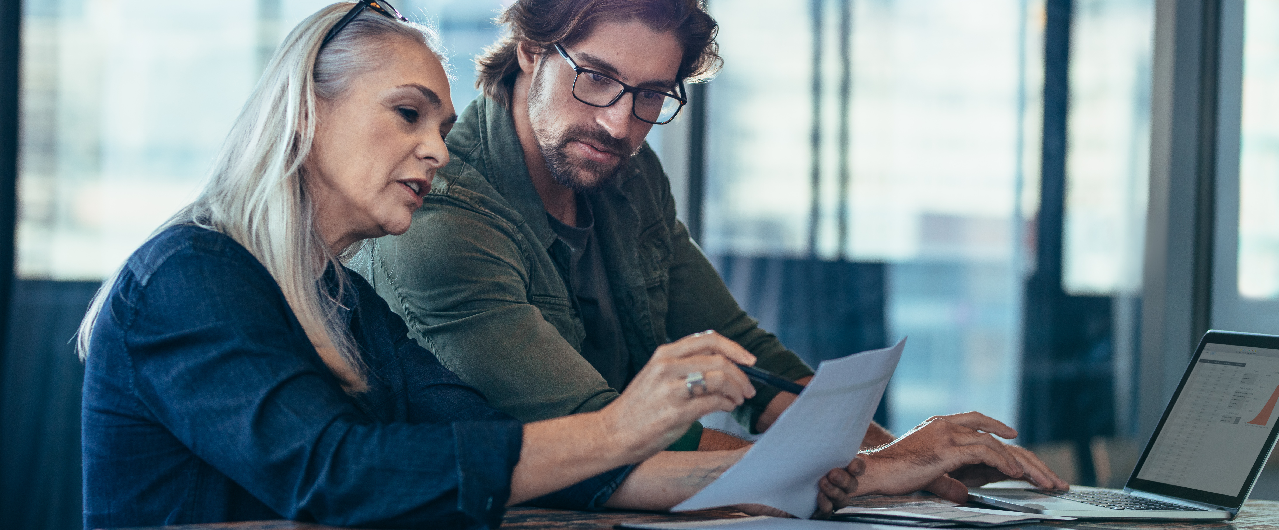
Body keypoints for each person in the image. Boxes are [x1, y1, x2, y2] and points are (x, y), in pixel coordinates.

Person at [76, 2, 858, 530]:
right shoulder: (189, 277)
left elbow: (507, 448)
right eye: (408, 114)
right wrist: (625, 427)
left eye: (445, 128)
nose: (438, 150)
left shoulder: (343, 300)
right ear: (305, 112)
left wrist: (802, 477)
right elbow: (333, 472)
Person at [360, 0, 1068, 501]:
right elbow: (600, 434)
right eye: (597, 78)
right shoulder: (438, 211)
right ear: (530, 51)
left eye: (649, 95)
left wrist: (916, 470)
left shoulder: (625, 171)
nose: (617, 122)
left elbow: (748, 362)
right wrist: (880, 467)